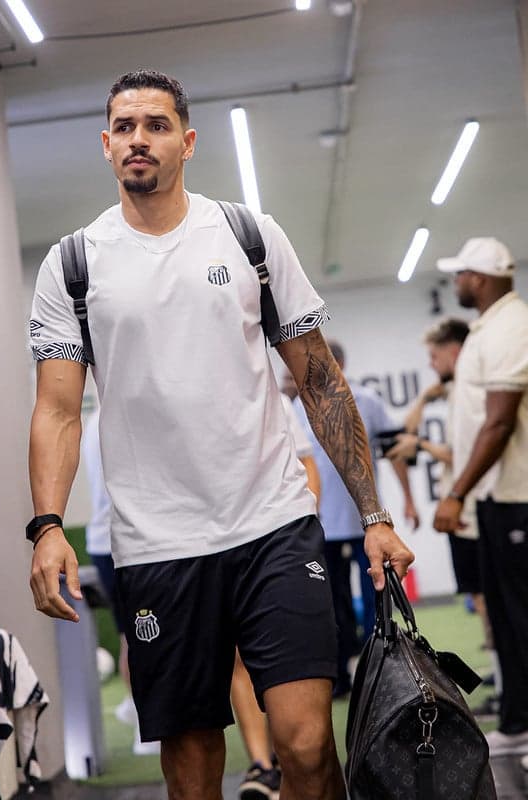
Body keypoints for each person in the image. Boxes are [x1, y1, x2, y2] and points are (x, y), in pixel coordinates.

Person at [27, 69, 414, 800]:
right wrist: (48, 525)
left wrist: (375, 514)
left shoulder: (248, 236)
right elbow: (57, 410)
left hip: (272, 524)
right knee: (193, 763)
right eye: (124, 127)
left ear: (188, 141)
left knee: (305, 744)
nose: (139, 139)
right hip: (157, 545)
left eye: (157, 125)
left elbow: (321, 380)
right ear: (106, 144)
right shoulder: (73, 264)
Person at [432, 237, 528, 757]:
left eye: (462, 274)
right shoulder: (487, 328)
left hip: (518, 497)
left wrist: (455, 493)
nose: (456, 282)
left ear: (482, 279)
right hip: (495, 498)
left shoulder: (512, 326)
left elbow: (499, 422)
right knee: (507, 621)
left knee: (522, 616)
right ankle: (517, 723)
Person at [291, 340, 419, 696]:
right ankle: (342, 677)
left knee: (378, 599)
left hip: (365, 522)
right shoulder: (295, 407)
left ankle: (380, 673)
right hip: (322, 524)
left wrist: (408, 499)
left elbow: (394, 451)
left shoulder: (367, 400)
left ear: (338, 364)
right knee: (333, 605)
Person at [231, 393, 320, 800]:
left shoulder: (274, 399)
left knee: (284, 659)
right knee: (237, 660)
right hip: (214, 545)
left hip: (277, 540)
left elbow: (307, 465)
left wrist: (306, 529)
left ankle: (285, 761)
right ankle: (262, 765)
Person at [386, 319, 494, 653]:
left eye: (435, 356)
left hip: (474, 507)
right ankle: (497, 658)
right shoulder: (453, 391)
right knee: (477, 591)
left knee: (487, 592)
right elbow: (407, 431)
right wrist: (423, 398)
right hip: (463, 512)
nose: (431, 364)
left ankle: (503, 662)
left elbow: (464, 455)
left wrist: (421, 446)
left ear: (455, 353)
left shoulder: (472, 392)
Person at [82, 409, 160, 756]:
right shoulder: (116, 416)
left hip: (110, 542)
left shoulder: (96, 420)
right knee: (141, 635)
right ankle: (145, 724)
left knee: (133, 634)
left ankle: (136, 708)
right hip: (122, 543)